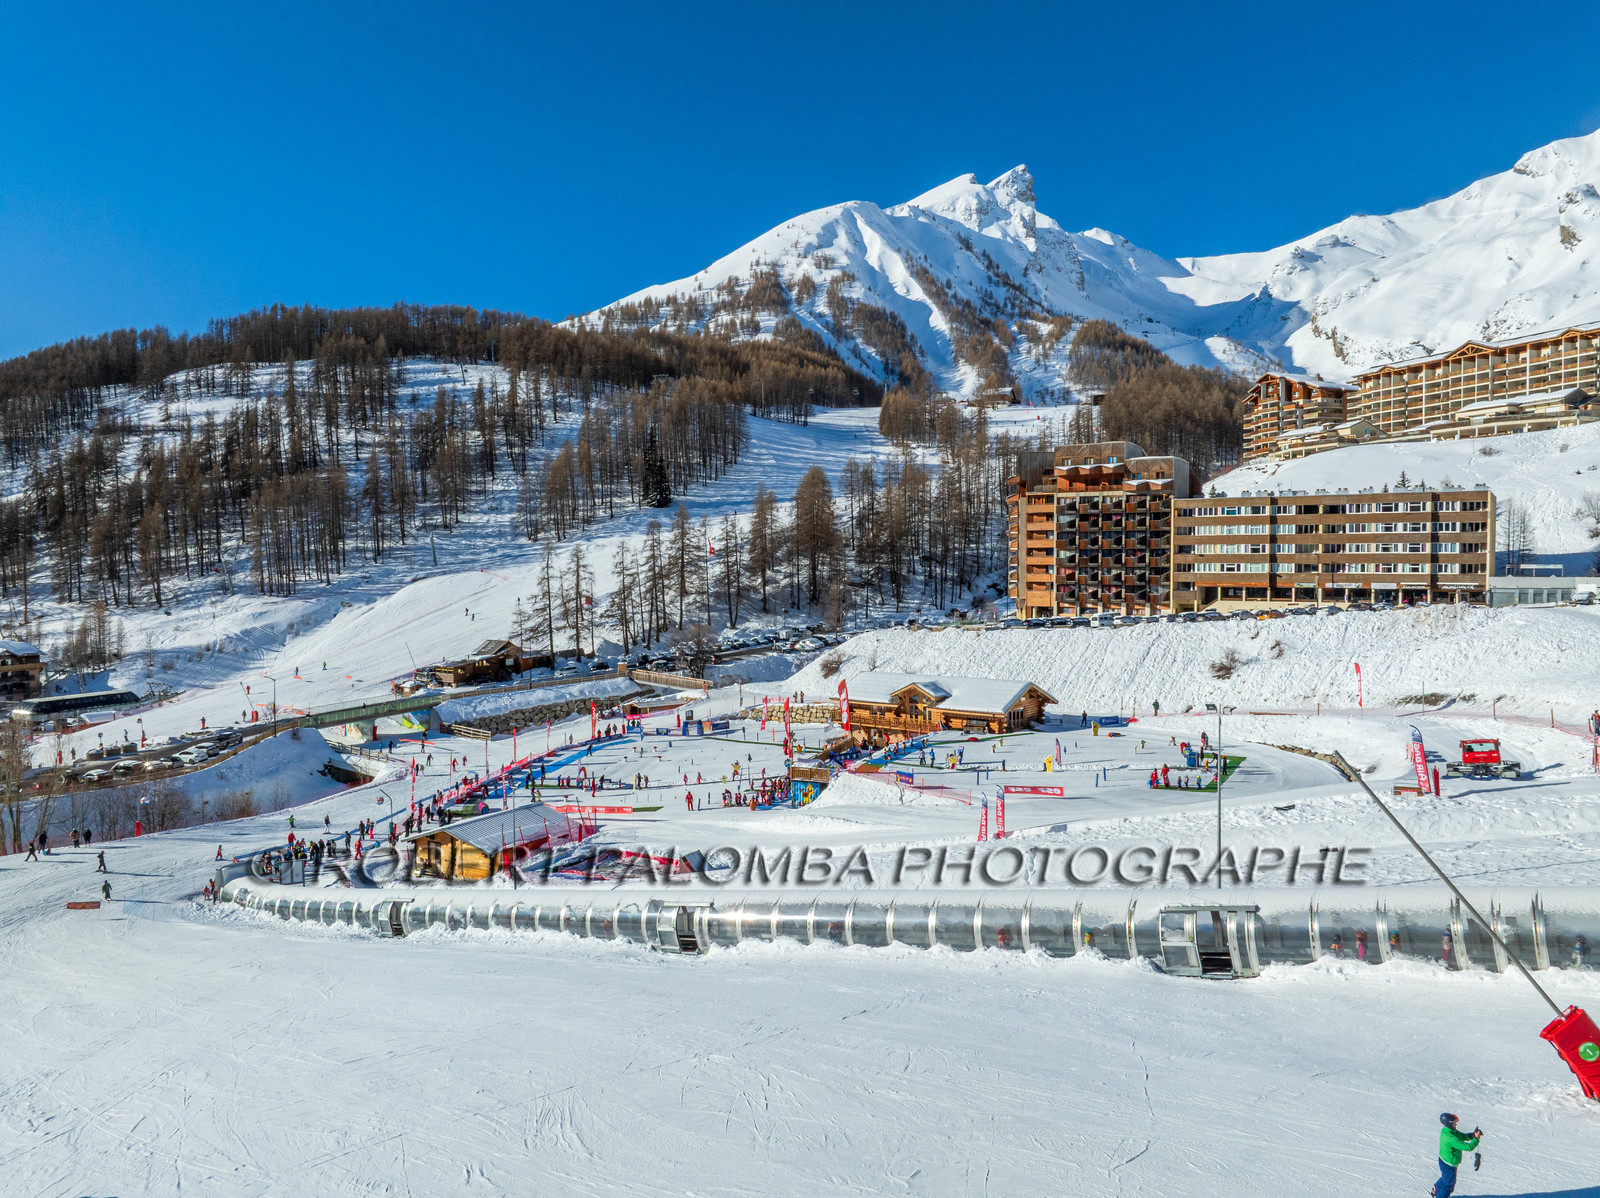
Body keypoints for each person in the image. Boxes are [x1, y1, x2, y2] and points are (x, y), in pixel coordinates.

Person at [1433, 1114, 1480, 1197]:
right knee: (1448, 1186)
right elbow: (1468, 1147)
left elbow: (1461, 1136)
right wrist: (1476, 1139)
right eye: (1454, 1122)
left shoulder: (1448, 1131)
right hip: (1449, 1164)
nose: (1456, 1124)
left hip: (1444, 1161)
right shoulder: (1450, 1138)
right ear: (1450, 1123)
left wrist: (1472, 1135)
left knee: (1445, 1179)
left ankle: (1436, 1189)